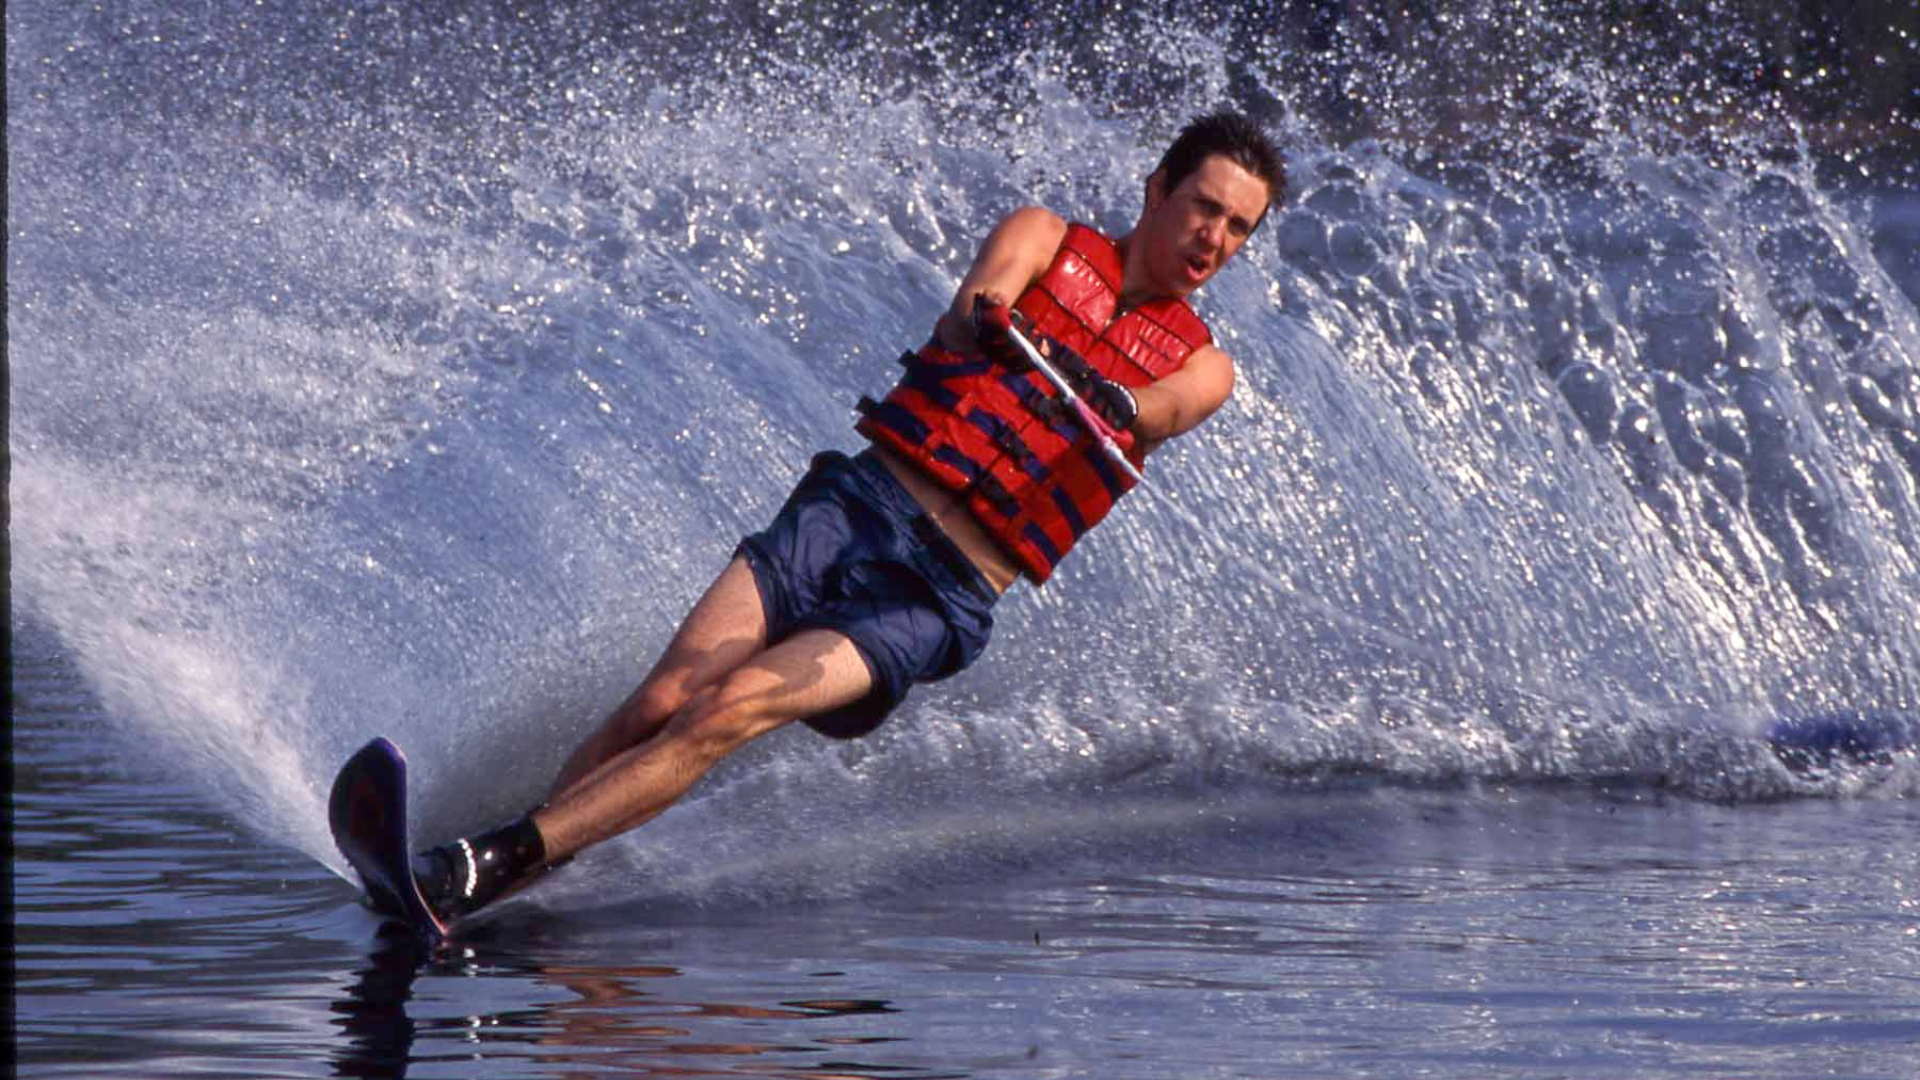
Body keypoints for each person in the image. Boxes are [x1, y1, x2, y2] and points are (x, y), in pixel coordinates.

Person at [410, 111, 1285, 925]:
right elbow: (975, 303)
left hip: (935, 597)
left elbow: (1161, 410)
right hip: (859, 506)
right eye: (1204, 207)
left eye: (1238, 227)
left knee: (729, 709)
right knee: (667, 699)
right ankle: (495, 881)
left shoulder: (1206, 368)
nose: (1214, 238)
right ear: (1157, 188)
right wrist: (987, 324)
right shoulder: (1043, 237)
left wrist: (1113, 401)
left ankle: (488, 860)